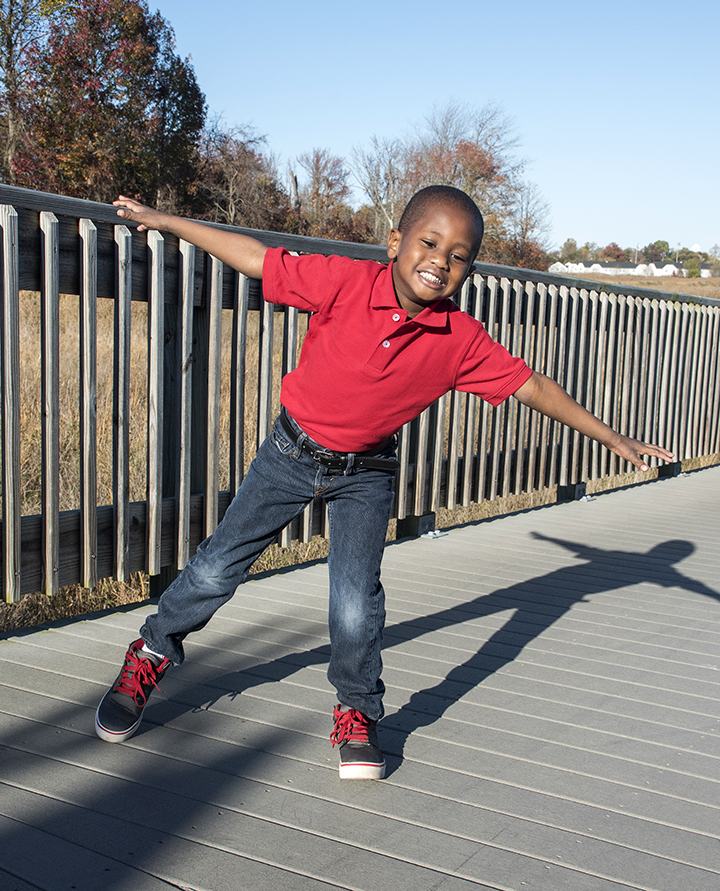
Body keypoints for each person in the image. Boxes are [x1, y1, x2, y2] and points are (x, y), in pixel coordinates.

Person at [95, 186, 674, 779]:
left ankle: (357, 712)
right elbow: (253, 257)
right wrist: (163, 219)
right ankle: (151, 653)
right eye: (429, 243)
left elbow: (533, 387)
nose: (441, 261)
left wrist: (612, 438)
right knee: (217, 568)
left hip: (366, 475)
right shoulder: (345, 282)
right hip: (289, 454)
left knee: (355, 602)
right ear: (395, 243)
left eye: (459, 255)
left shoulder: (461, 340)